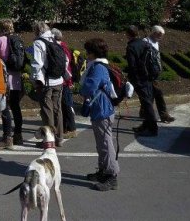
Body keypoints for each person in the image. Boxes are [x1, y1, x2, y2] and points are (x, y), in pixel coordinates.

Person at [80, 37, 119, 191]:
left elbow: (89, 87)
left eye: (88, 51)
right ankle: (104, 170)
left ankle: (111, 175)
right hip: (101, 109)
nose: (86, 54)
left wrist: (81, 89)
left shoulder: (98, 68)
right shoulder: (100, 66)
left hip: (102, 110)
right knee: (102, 143)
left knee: (105, 144)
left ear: (93, 52)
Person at [30, 21, 64, 146]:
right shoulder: (54, 40)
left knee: (46, 111)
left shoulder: (39, 43)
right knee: (57, 110)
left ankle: (49, 140)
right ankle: (59, 138)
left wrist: (35, 81)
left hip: (46, 82)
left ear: (37, 31)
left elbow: (37, 64)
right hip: (58, 81)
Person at [0, 18, 24, 149]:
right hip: (16, 77)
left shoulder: (0, 40)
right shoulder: (17, 39)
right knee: (16, 107)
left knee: (5, 108)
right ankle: (18, 134)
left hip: (5, 78)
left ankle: (7, 137)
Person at [126, 25, 158, 137]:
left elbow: (132, 66)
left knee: (147, 104)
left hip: (140, 79)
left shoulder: (131, 47)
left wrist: (132, 79)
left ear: (128, 34)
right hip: (149, 77)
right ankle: (146, 125)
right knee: (146, 102)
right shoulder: (145, 43)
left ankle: (153, 129)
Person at [144, 25, 175, 124]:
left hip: (154, 74)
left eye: (162, 35)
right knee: (158, 94)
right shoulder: (145, 42)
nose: (161, 37)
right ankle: (164, 115)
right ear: (154, 33)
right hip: (148, 74)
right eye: (159, 35)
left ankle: (144, 112)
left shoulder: (156, 42)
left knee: (151, 95)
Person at [51, 27, 77, 139]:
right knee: (63, 104)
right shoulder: (63, 46)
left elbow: (65, 66)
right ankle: (66, 127)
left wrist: (68, 80)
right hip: (65, 80)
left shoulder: (61, 48)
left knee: (67, 105)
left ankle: (72, 128)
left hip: (65, 80)